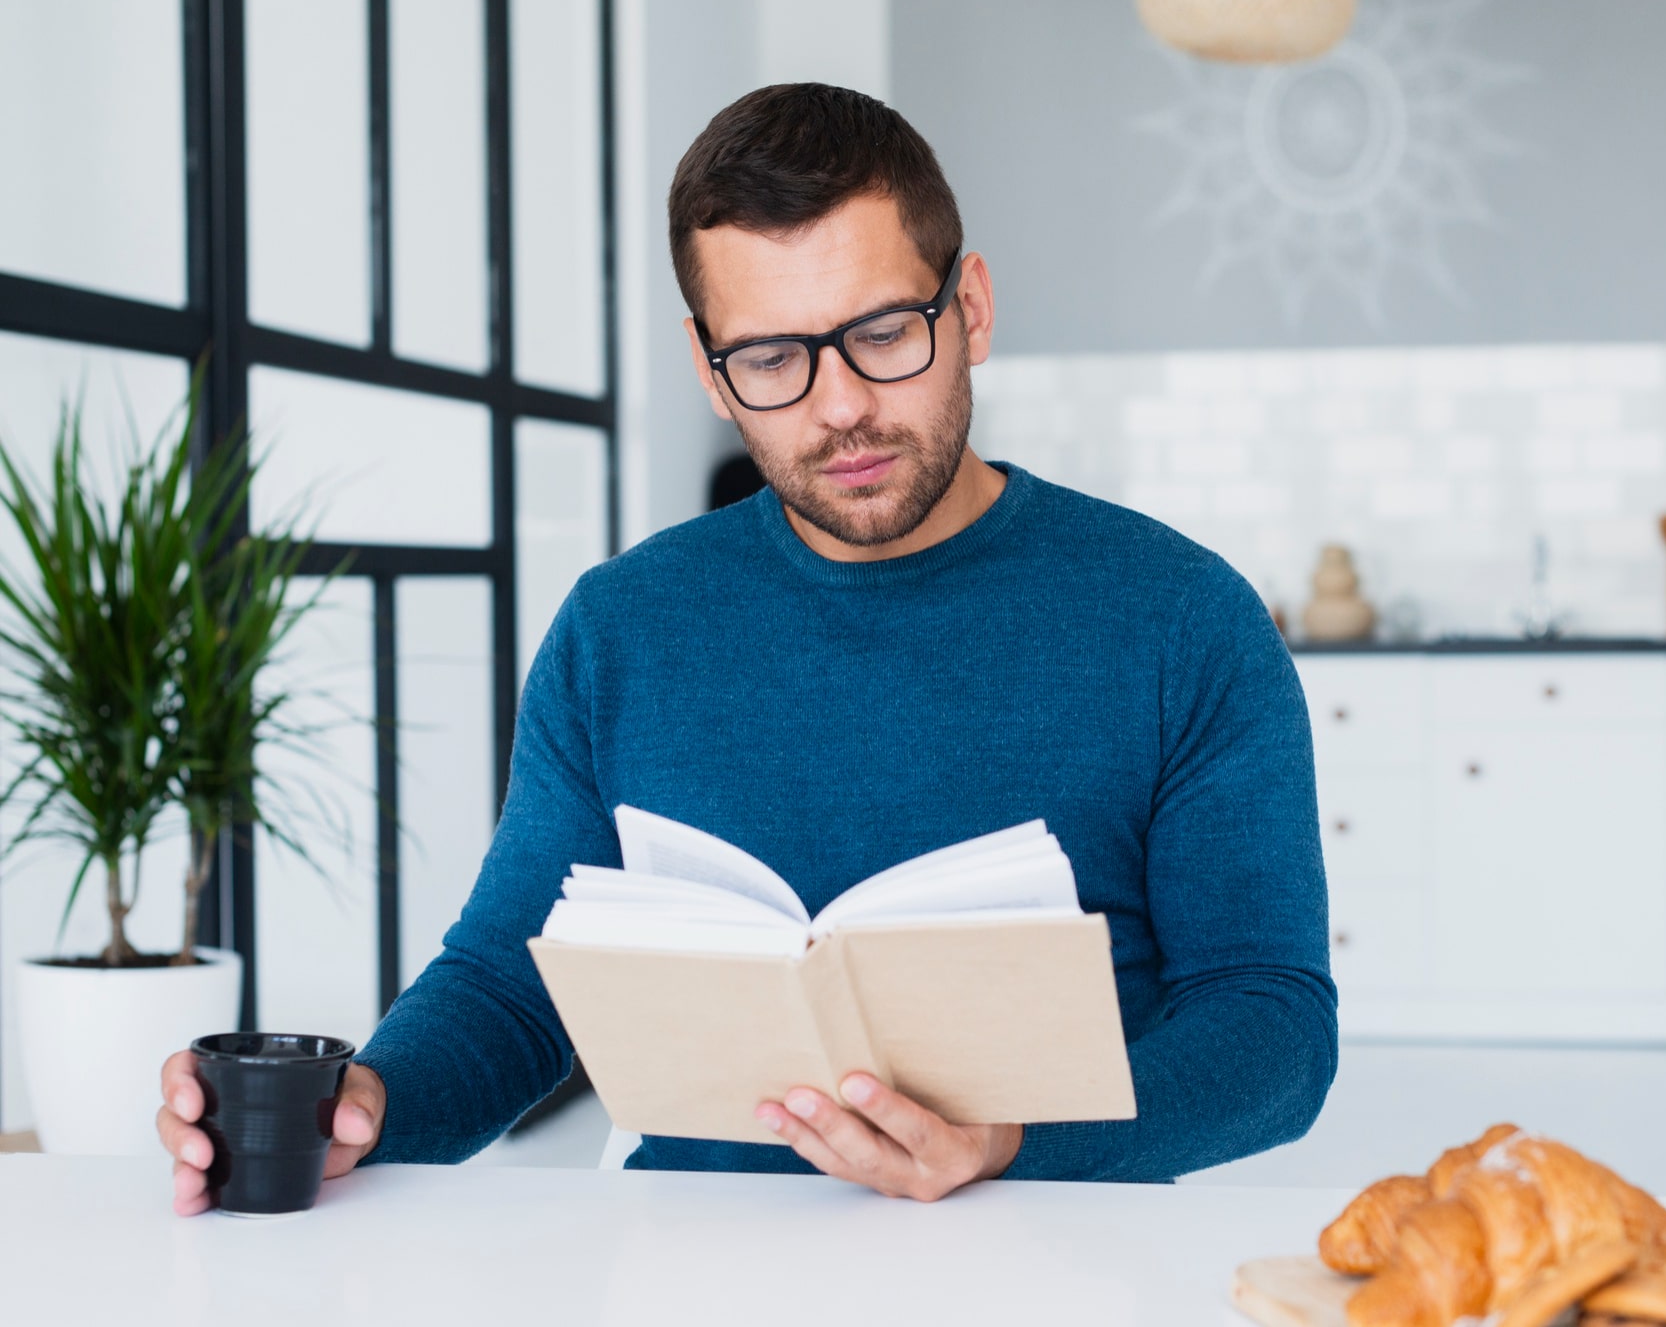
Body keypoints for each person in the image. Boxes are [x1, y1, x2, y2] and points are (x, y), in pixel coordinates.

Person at [158, 83, 1337, 1210]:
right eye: (771, 359)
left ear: (968, 307)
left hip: (1056, 1254)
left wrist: (1012, 1145)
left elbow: (1271, 1022)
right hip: (688, 1266)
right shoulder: (622, 628)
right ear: (708, 371)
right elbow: (518, 988)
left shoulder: (1181, 619)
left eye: (882, 332)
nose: (838, 409)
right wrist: (367, 1104)